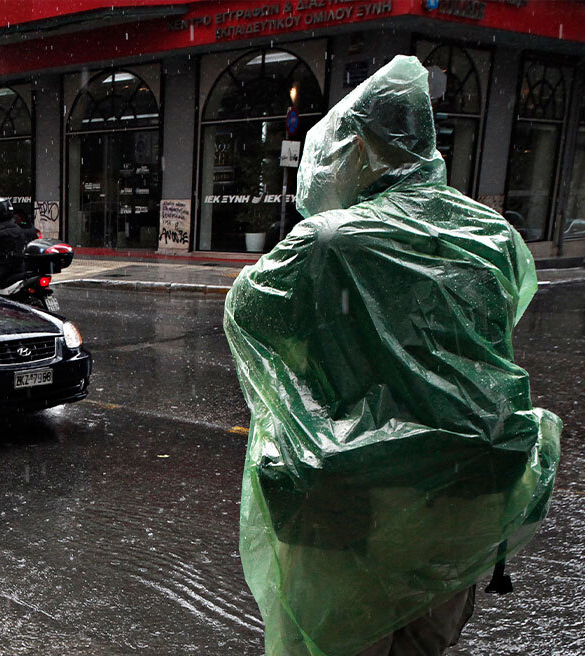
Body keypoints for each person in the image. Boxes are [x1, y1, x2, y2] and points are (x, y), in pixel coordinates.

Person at [223, 56, 561, 656]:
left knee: (334, 641)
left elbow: (248, 310)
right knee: (424, 642)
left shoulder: (330, 242)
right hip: (463, 493)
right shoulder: (494, 236)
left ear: (359, 150)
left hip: (356, 499)